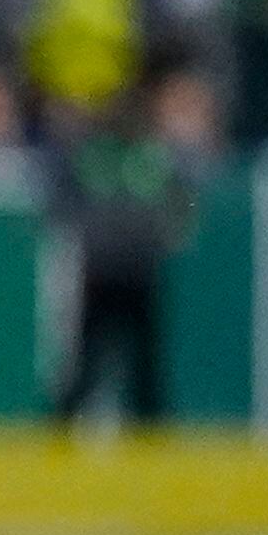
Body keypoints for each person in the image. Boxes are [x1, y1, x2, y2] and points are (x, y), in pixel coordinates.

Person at [44, 71, 211, 433]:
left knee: (145, 366)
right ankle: (63, 431)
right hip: (102, 273)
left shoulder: (153, 156)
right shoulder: (95, 155)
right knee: (87, 364)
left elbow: (186, 197)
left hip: (139, 273)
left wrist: (171, 235)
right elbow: (62, 198)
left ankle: (150, 434)